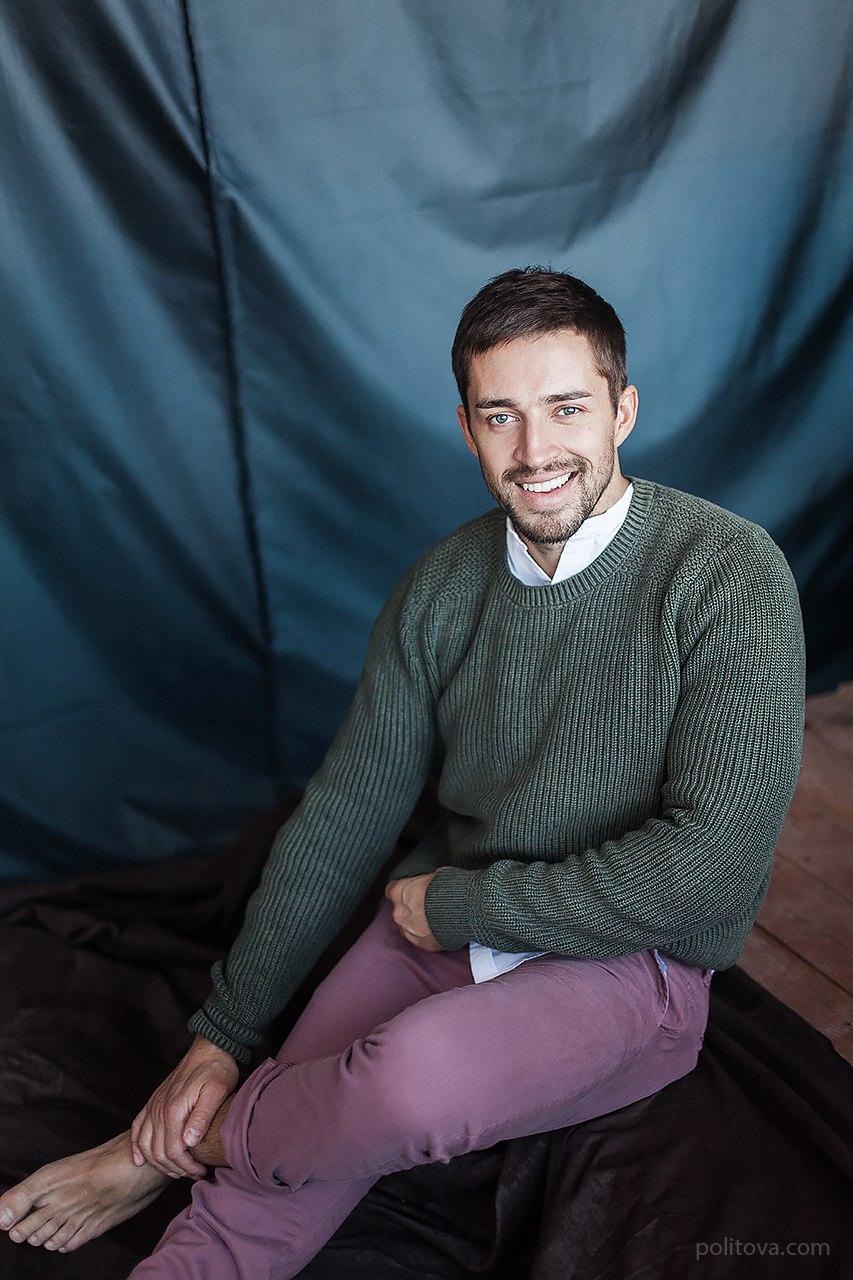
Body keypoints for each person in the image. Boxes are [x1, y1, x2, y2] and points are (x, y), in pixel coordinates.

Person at [0, 267, 806, 1274]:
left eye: (566, 408)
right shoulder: (439, 588)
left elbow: (709, 871)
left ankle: (155, 1153)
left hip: (626, 961)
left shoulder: (727, 573)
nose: (535, 451)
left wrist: (467, 906)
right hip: (440, 926)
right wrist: (221, 1036)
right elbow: (343, 816)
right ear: (466, 429)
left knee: (401, 1082)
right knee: (295, 1139)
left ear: (623, 411)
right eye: (500, 416)